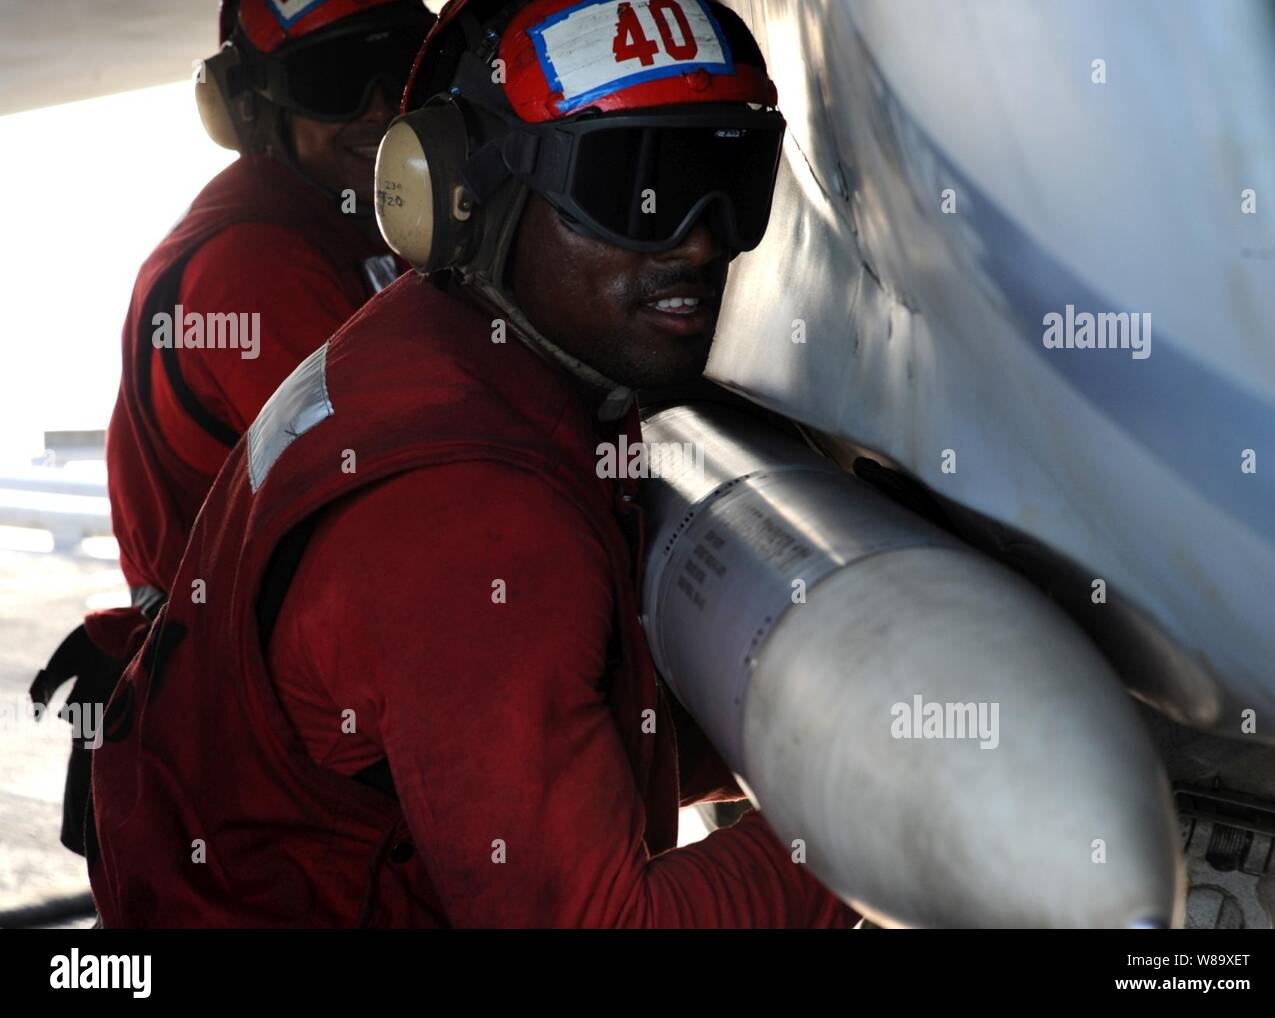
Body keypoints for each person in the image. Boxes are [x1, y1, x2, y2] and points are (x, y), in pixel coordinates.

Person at [89, 0, 858, 928]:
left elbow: (541, 710)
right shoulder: (479, 517)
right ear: (468, 194)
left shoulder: (429, 339)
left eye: (727, 174)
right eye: (628, 188)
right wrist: (879, 811)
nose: (696, 239)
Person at [30, 0, 435, 857]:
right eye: (333, 79)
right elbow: (407, 511)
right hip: (258, 760)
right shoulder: (256, 259)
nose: (374, 108)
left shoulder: (353, 221)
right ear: (252, 107)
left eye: (397, 68)